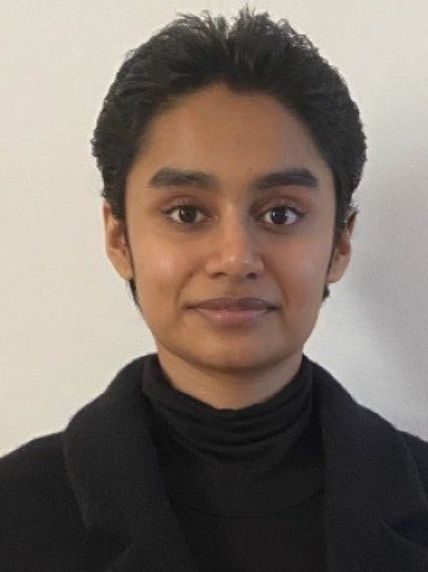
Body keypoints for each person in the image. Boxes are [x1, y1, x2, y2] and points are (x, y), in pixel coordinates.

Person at [1, 5, 427, 571]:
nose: (235, 258)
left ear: (340, 242)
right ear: (119, 236)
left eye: (280, 215)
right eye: (185, 213)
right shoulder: (16, 512)